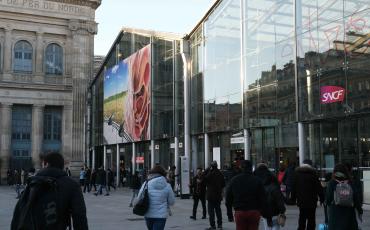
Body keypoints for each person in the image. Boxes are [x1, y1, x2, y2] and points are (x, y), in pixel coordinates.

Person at [11, 152, 88, 230]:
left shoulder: (32, 183)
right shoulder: (71, 185)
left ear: (45, 163)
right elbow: (79, 216)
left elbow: (18, 214)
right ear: (62, 166)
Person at [226, 160, 267, 230]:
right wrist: (264, 212)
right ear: (251, 168)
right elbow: (263, 197)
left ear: (241, 168)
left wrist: (229, 214)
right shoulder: (257, 180)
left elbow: (228, 198)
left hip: (240, 211)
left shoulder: (234, 180)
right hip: (254, 211)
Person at [325, 163, 363, 230]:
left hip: (335, 213)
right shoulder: (350, 182)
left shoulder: (332, 182)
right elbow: (356, 198)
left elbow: (328, 199)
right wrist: (360, 211)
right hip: (349, 214)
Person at [138, 165, 175, 230]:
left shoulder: (146, 183)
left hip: (148, 214)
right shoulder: (167, 185)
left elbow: (139, 197)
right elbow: (172, 202)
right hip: (161, 216)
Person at [292, 159, 324, 230]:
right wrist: (322, 199)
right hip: (312, 201)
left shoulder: (297, 174)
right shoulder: (313, 174)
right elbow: (319, 188)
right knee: (311, 219)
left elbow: (293, 188)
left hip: (301, 201)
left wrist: (293, 199)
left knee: (302, 218)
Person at [254, 163, 286, 230]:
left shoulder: (255, 176)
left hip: (263, 210)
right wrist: (282, 210)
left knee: (267, 225)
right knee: (275, 225)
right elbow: (279, 197)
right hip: (274, 209)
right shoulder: (272, 178)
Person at [203, 161, 225, 230]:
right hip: (218, 195)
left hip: (211, 196)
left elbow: (204, 179)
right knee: (218, 210)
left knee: (211, 212)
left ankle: (213, 226)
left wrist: (207, 170)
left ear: (211, 166)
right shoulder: (220, 174)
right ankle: (220, 225)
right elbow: (223, 184)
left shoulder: (210, 174)